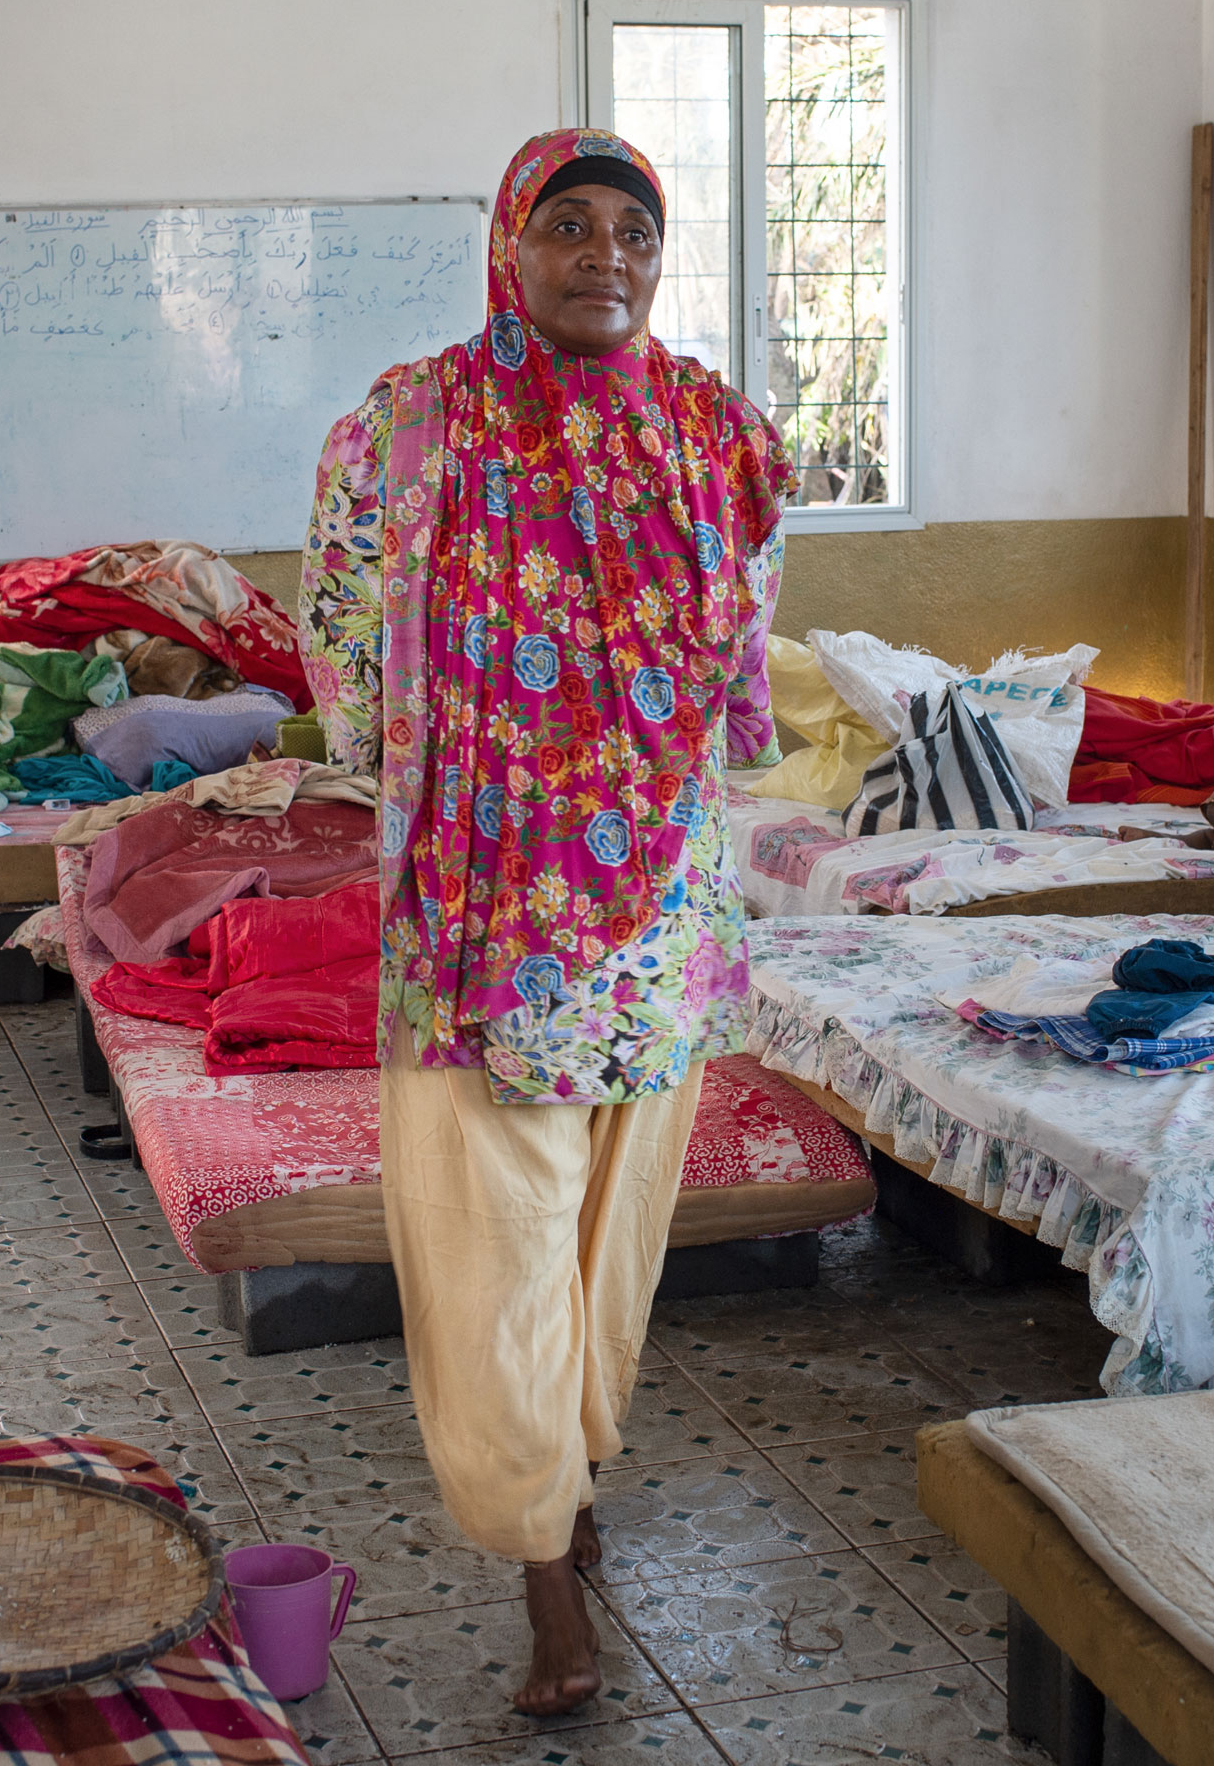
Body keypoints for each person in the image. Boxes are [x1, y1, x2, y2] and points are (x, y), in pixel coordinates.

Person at [297, 129, 789, 1715]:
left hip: (654, 907)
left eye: (632, 231)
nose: (604, 257)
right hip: (478, 915)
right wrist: (443, 786)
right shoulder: (411, 425)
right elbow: (345, 636)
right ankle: (541, 1574)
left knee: (611, 1249)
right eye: (567, 226)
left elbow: (744, 638)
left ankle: (570, 1480)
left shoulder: (711, 428)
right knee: (495, 1249)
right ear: (508, 246)